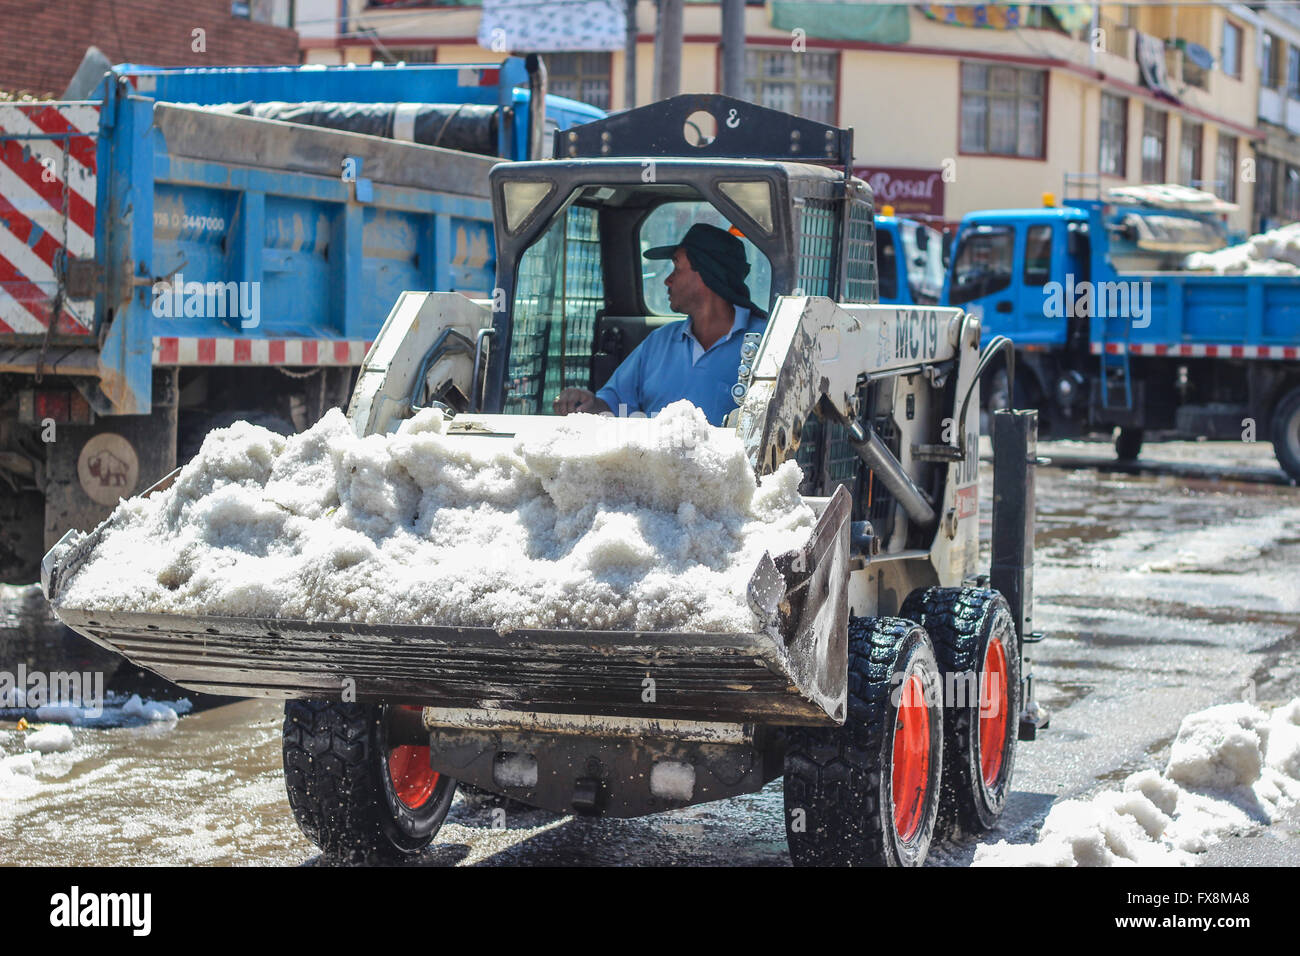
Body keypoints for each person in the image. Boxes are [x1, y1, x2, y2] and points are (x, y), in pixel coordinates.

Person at [552, 222, 767, 425]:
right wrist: (587, 403)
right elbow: (612, 406)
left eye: (676, 267)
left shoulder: (765, 343)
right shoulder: (659, 341)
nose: (668, 280)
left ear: (707, 273)